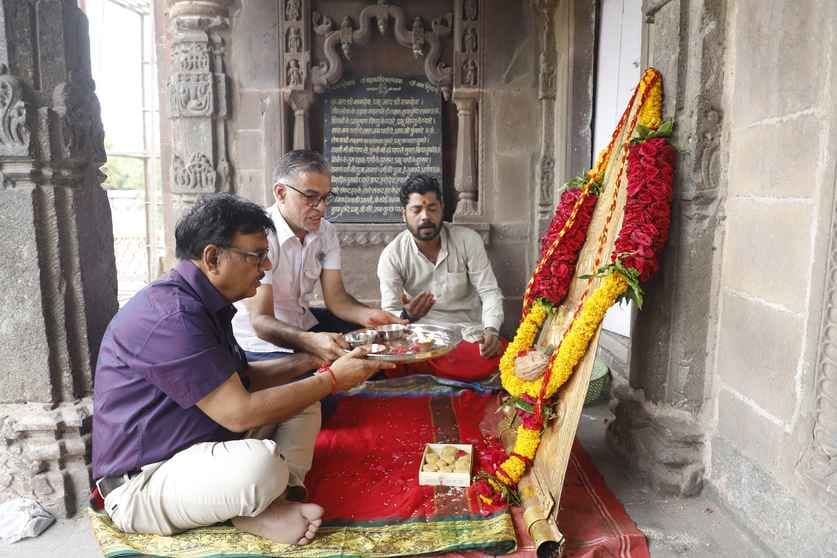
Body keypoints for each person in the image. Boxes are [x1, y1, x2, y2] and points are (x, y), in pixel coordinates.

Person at [92, 193, 394, 545]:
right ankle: (261, 499)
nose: (266, 267)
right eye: (257, 256)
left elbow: (243, 376)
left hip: (201, 449)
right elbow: (239, 413)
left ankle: (277, 500)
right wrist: (332, 380)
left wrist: (314, 360)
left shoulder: (200, 302)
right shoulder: (172, 316)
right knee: (259, 464)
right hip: (146, 481)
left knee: (302, 401)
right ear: (212, 257)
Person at [233, 149, 403, 365]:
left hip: (303, 324)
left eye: (325, 198)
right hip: (262, 342)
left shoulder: (326, 232)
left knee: (375, 347)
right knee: (321, 380)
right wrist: (312, 343)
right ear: (280, 193)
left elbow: (337, 299)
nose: (321, 208)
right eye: (310, 197)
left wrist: (371, 316)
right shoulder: (261, 235)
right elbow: (261, 321)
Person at [377, 174, 506, 381]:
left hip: (467, 336)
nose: (425, 216)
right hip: (422, 341)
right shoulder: (392, 255)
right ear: (404, 214)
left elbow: (489, 291)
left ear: (442, 208)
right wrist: (406, 315)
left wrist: (491, 330)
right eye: (416, 209)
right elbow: (389, 314)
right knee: (394, 365)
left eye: (432, 208)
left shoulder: (467, 240)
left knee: (499, 359)